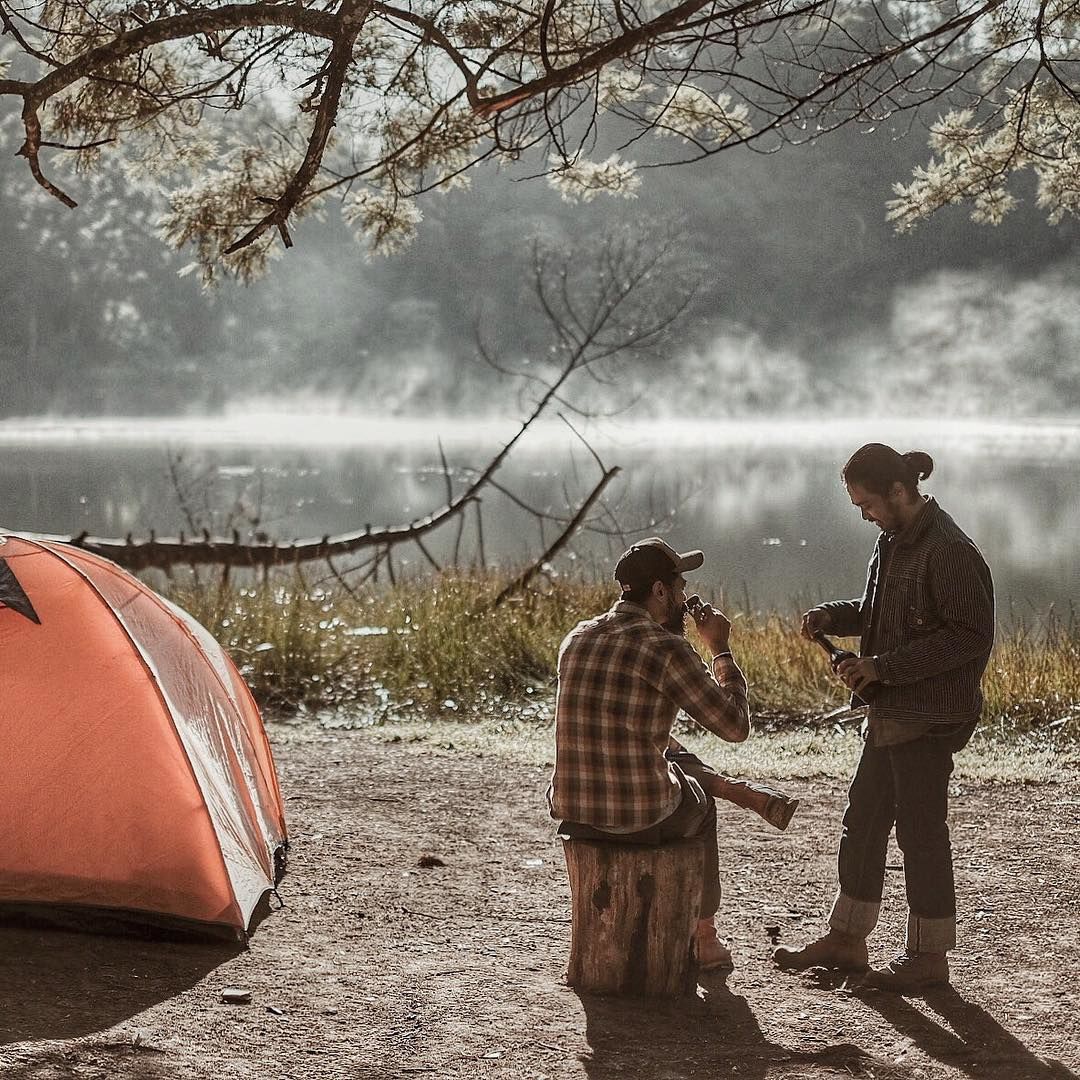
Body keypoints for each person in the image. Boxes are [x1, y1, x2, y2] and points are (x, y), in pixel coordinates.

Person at [773, 444, 994, 992]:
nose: (864, 513)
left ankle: (928, 958)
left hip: (929, 717)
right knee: (864, 820)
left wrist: (881, 667)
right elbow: (882, 614)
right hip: (891, 710)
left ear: (899, 492)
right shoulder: (892, 541)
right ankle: (848, 939)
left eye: (867, 503)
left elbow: (969, 637)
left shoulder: (950, 551)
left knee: (921, 834)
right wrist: (835, 617)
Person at [548, 537, 751, 970]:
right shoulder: (666, 648)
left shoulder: (576, 637)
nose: (684, 596)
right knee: (702, 805)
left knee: (677, 761)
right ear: (660, 591)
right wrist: (720, 649)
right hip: (636, 814)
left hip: (573, 808)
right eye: (679, 586)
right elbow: (735, 727)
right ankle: (706, 939)